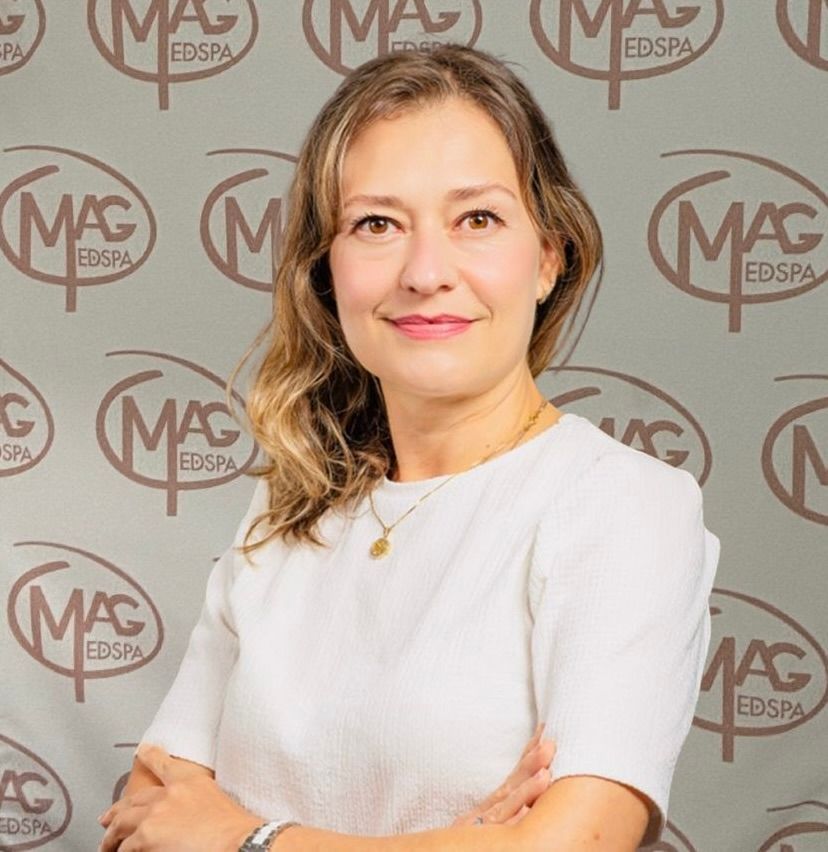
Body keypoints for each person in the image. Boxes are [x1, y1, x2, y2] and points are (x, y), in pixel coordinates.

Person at [98, 44, 720, 852]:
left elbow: (574, 845)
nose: (426, 272)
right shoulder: (289, 504)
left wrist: (248, 839)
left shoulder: (624, 506)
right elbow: (153, 805)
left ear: (549, 257)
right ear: (327, 269)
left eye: (478, 219)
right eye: (378, 224)